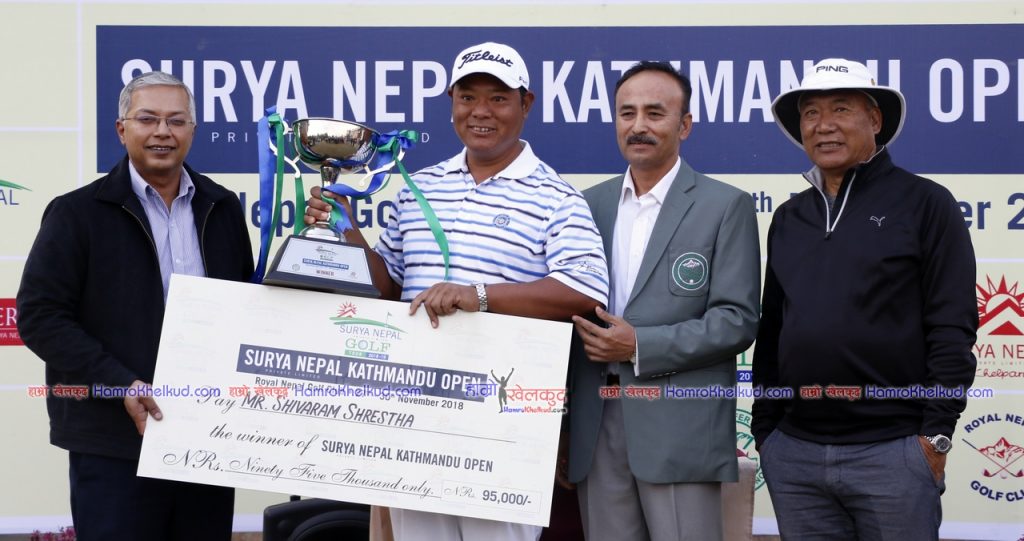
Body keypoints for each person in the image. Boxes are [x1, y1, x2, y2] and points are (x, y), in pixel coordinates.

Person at [305, 42, 608, 541]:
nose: (481, 112)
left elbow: (584, 290)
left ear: (526, 104)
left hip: (504, 422)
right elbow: (389, 286)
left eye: (498, 98)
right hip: (414, 415)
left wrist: (479, 295)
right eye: (468, 97)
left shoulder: (557, 196)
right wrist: (348, 231)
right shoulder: (419, 188)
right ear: (451, 103)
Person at [17, 71, 254, 541]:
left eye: (176, 121)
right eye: (148, 119)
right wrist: (119, 383)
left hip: (206, 438)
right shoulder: (77, 212)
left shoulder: (222, 206)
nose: (163, 131)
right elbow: (40, 316)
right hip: (114, 442)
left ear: (192, 131)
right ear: (121, 129)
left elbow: (244, 307)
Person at [752, 58, 977, 540]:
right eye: (810, 113)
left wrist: (935, 436)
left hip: (894, 452)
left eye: (841, 109)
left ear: (874, 120)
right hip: (794, 454)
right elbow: (772, 329)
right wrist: (766, 433)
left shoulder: (926, 203)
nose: (823, 125)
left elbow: (952, 326)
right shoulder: (789, 217)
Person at [567, 61, 761, 541]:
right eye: (626, 113)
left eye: (655, 113)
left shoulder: (725, 205)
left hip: (680, 425)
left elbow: (736, 320)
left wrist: (639, 345)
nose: (638, 125)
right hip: (596, 421)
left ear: (685, 124)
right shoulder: (585, 206)